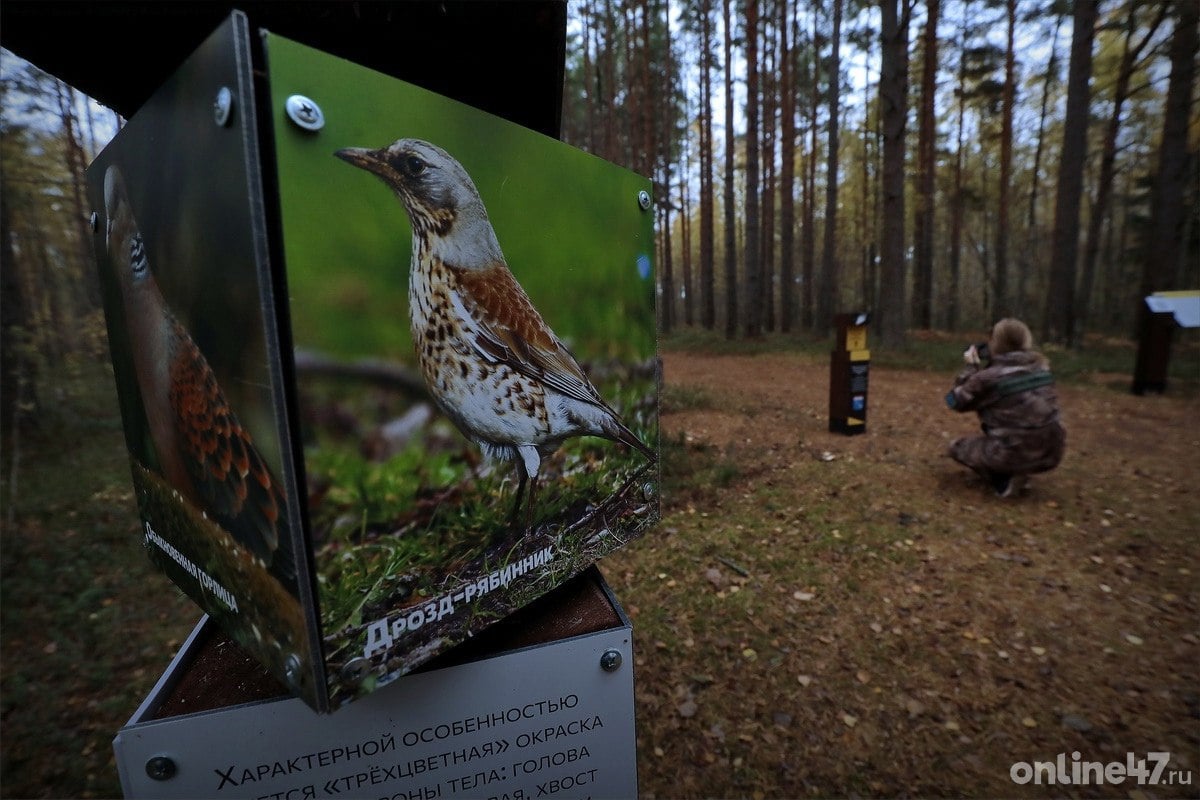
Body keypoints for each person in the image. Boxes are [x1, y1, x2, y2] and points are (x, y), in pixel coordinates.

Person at [944, 318, 1066, 497]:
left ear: (996, 343)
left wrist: (971, 368)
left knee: (956, 448)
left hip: (1012, 452)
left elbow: (953, 401)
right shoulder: (1041, 368)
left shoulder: (987, 378)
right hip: (1053, 453)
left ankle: (1003, 481)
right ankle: (1017, 469)